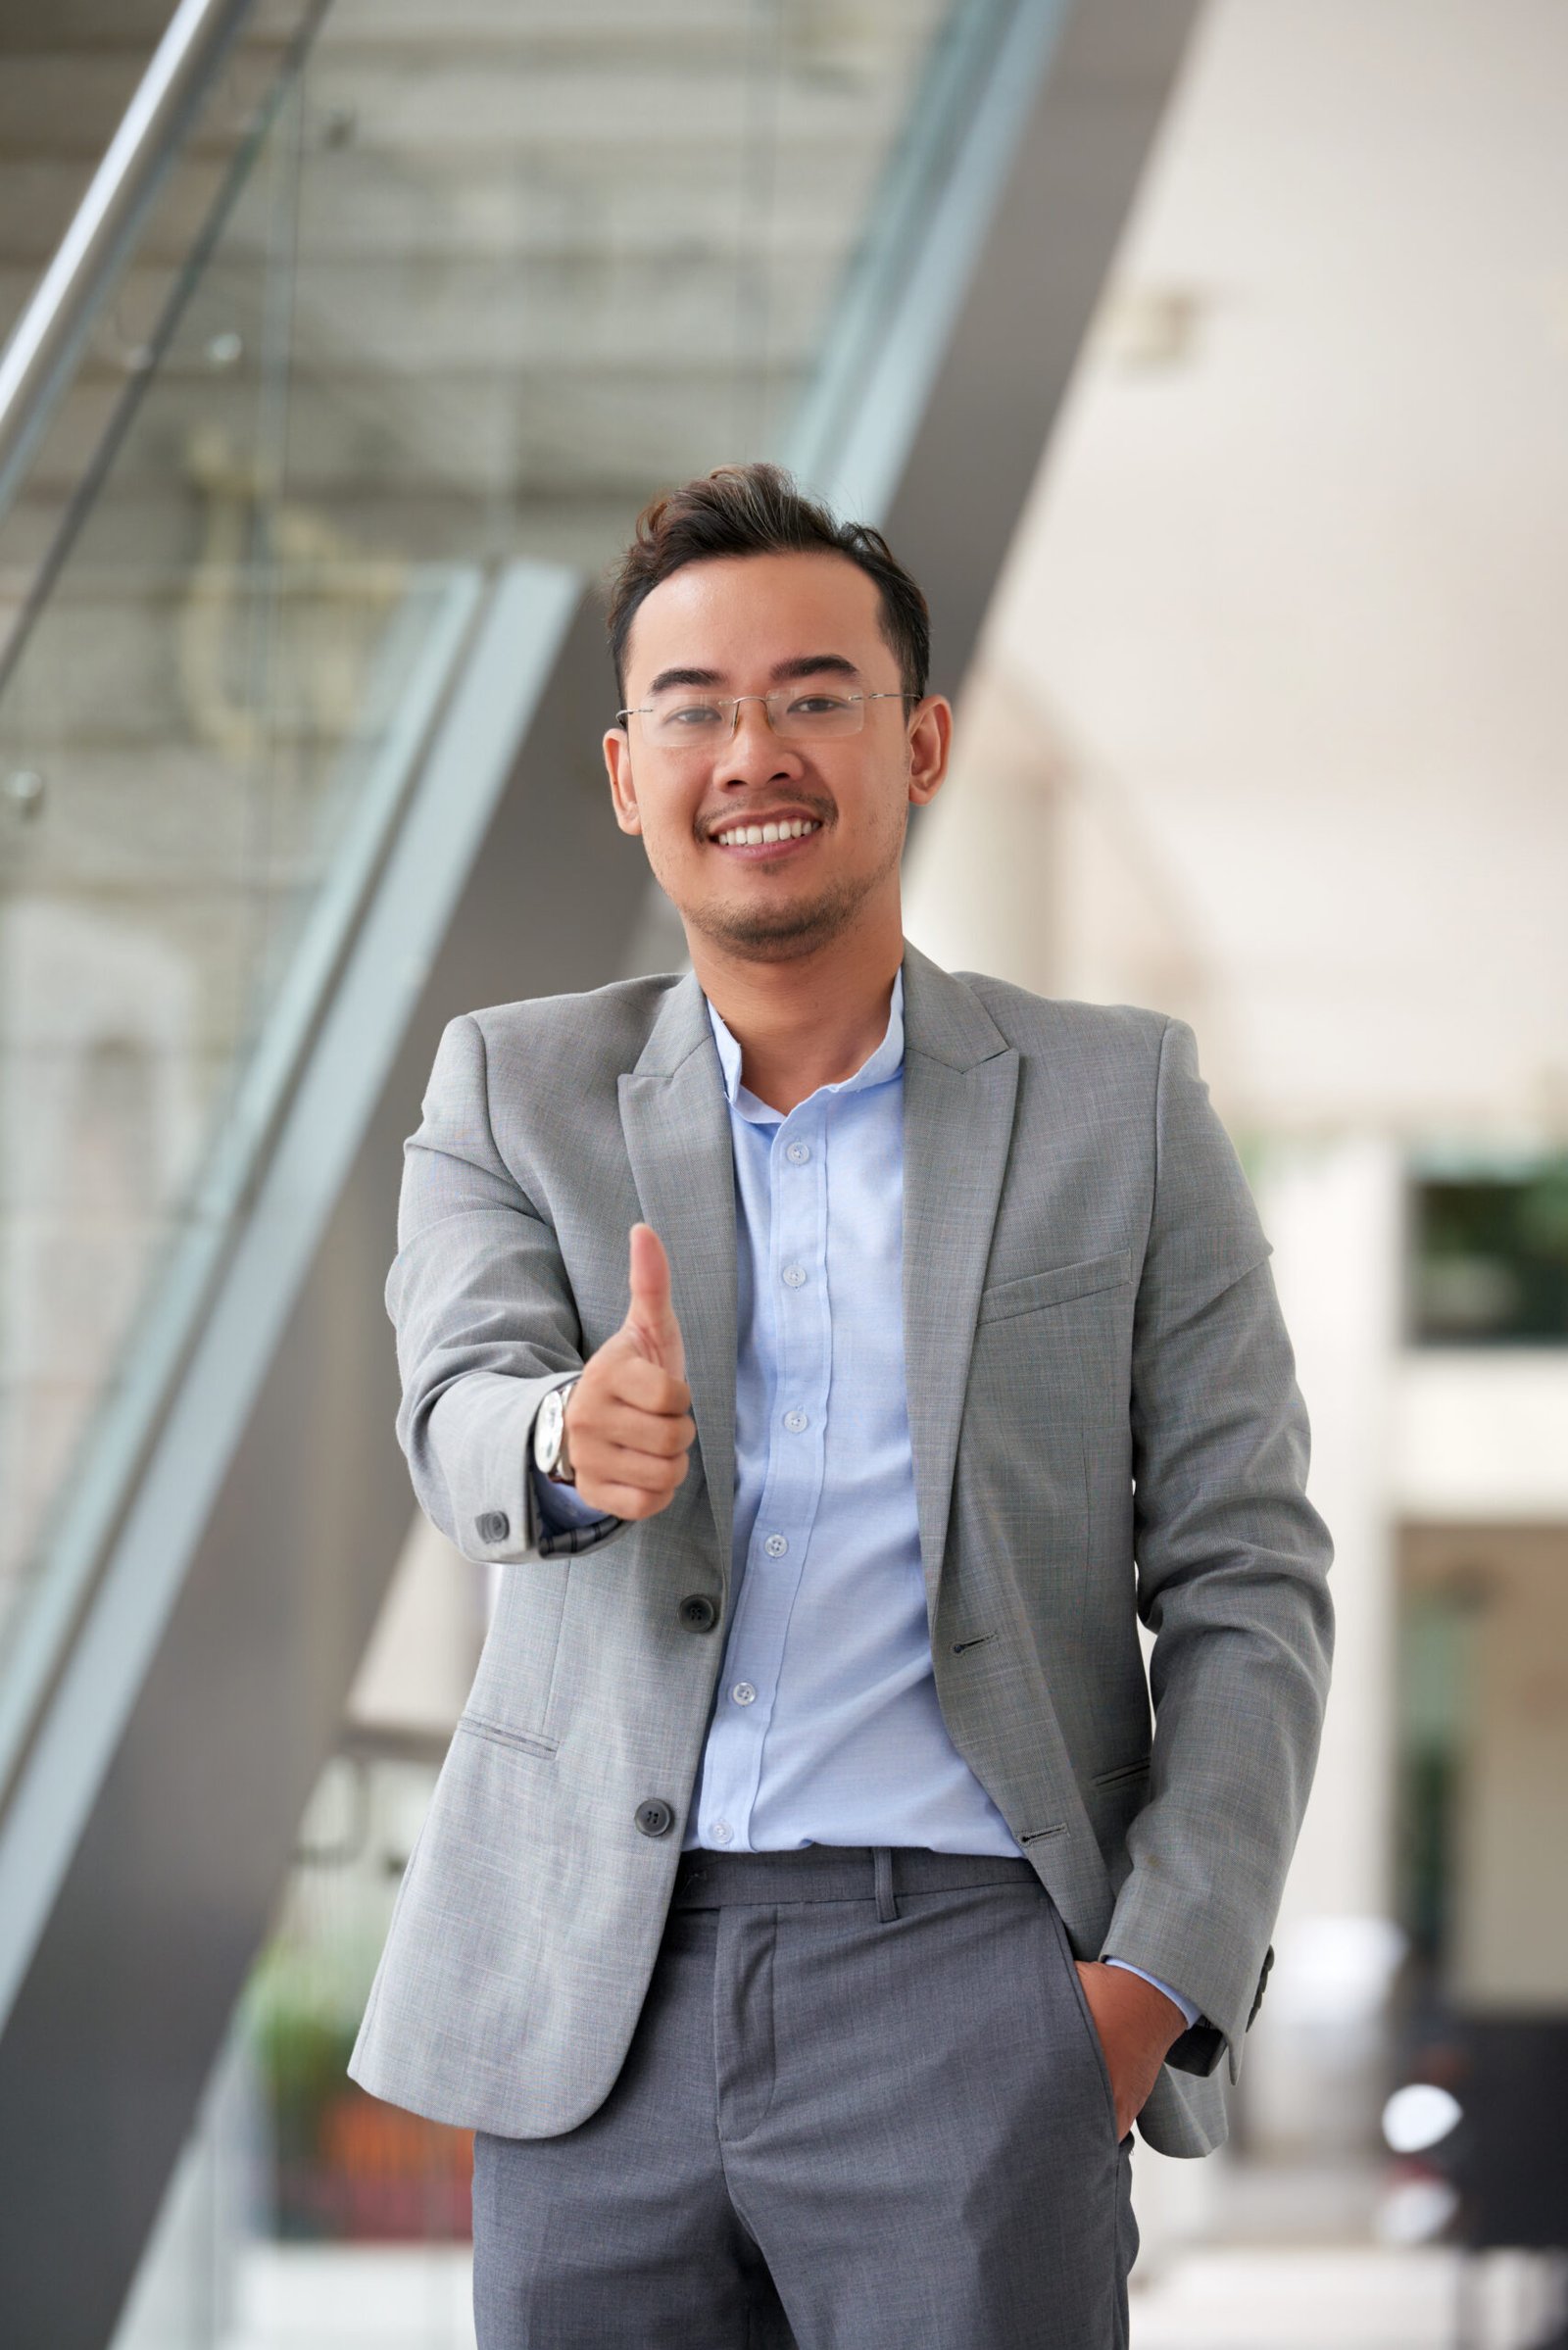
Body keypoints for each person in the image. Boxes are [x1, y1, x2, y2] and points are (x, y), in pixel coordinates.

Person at [349, 462, 1334, 2348]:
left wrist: (1143, 1983)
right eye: (694, 708)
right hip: (593, 2003)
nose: (754, 751)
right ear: (630, 773)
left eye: (814, 695)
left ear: (922, 740)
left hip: (976, 1980)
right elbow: (460, 1404)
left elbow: (1249, 1575)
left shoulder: (1117, 1104)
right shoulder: (511, 1089)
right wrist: (571, 1439)